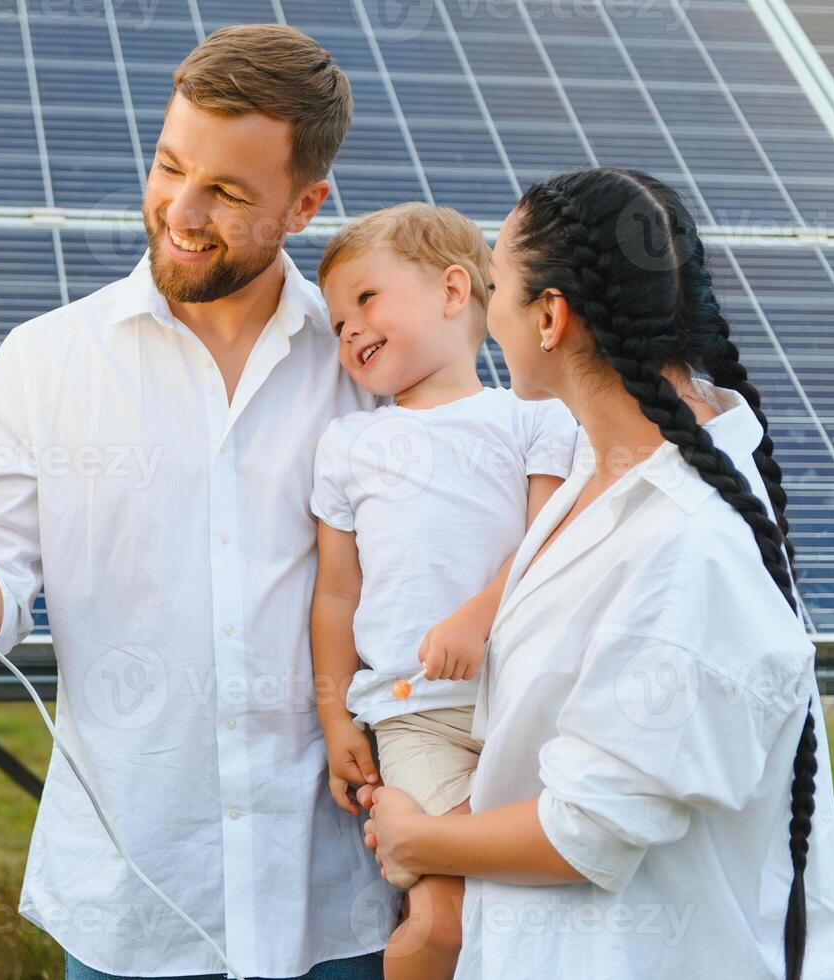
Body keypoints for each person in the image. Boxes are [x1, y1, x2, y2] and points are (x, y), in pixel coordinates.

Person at [0, 24, 393, 980]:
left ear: (306, 204)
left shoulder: (372, 370)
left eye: (229, 193)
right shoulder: (46, 361)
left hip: (340, 903)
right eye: (168, 167)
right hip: (136, 905)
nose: (180, 213)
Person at [358, 166, 834, 979]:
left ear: (549, 316)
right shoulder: (609, 454)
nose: (483, 318)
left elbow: (590, 828)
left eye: (494, 288)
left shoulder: (689, 545)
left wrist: (418, 837)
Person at [307, 203, 575, 979]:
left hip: (522, 702)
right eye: (334, 321)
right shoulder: (349, 443)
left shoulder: (529, 416)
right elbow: (334, 594)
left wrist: (475, 617)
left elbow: (549, 544)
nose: (349, 328)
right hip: (414, 713)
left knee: (529, 906)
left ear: (454, 290)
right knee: (444, 917)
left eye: (366, 299)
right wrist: (334, 718)